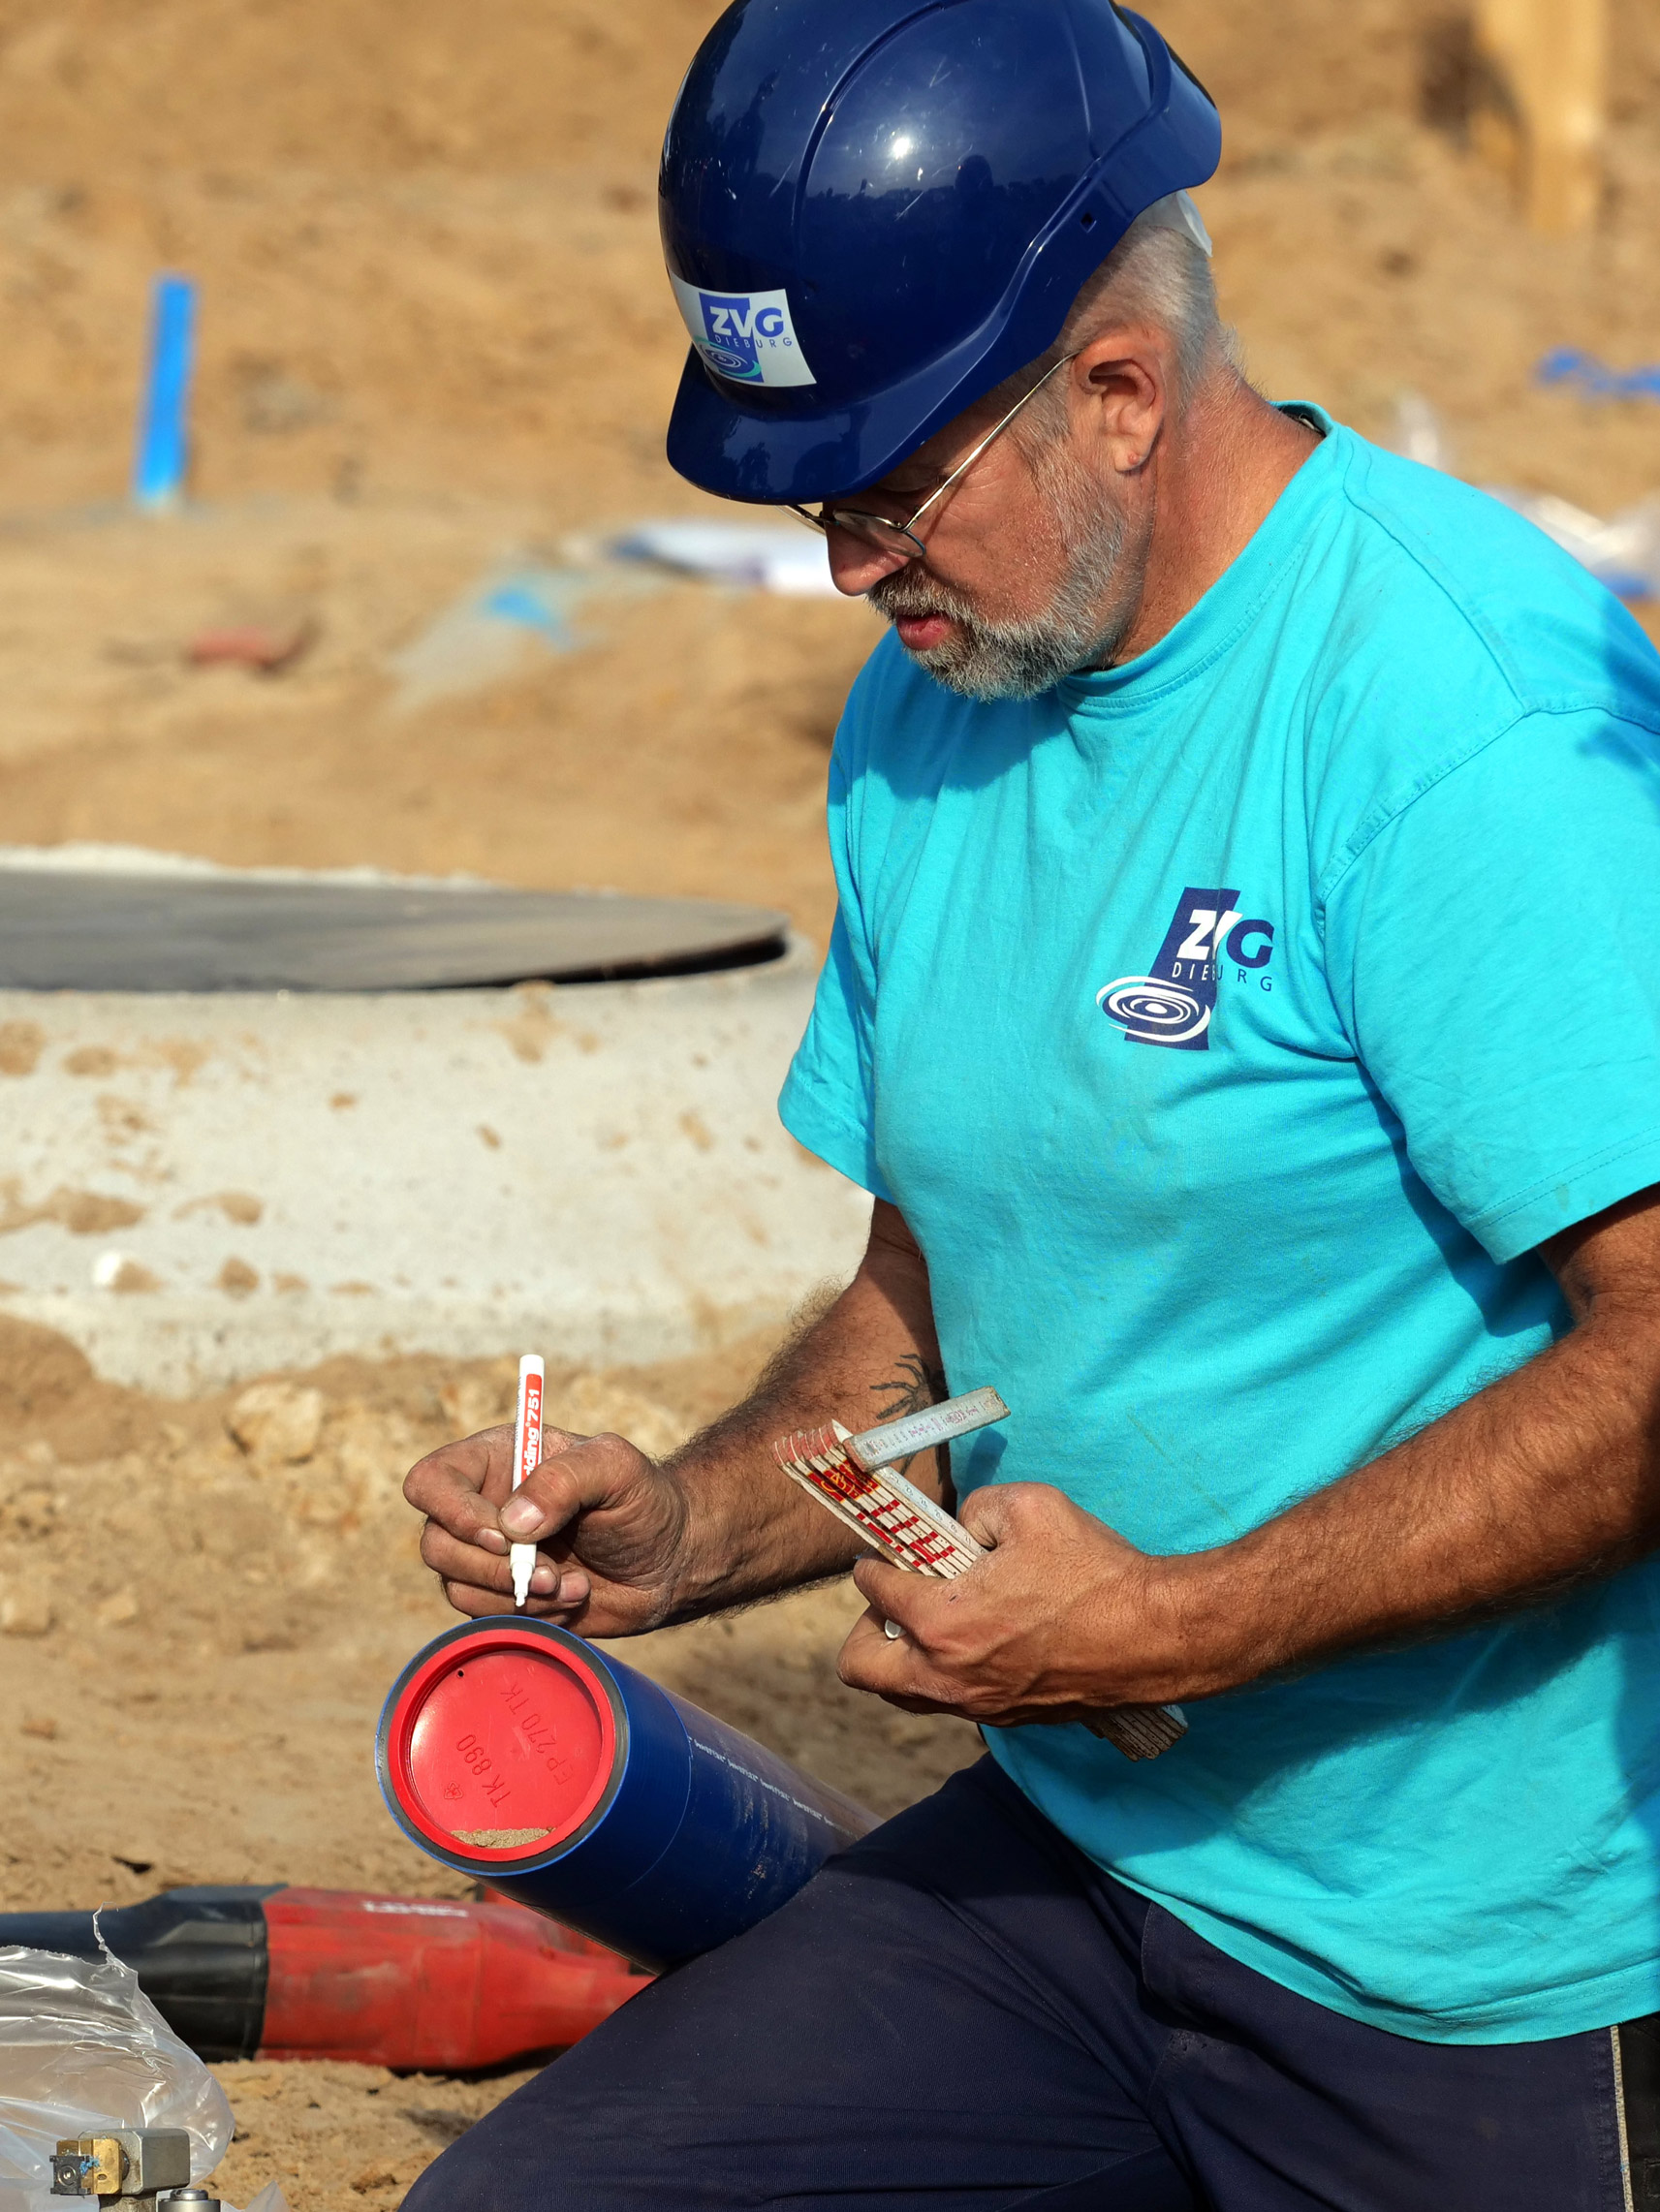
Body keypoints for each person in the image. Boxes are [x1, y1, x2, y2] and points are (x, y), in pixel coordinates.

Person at [403, 0, 1660, 2202]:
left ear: (1115, 392)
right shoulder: (936, 709)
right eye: (807, 503)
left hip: (1478, 1977)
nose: (841, 572)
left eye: (885, 494)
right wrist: (691, 1521)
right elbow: (931, 1284)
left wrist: (1185, 1620)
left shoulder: (1456, 724)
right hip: (1084, 1880)